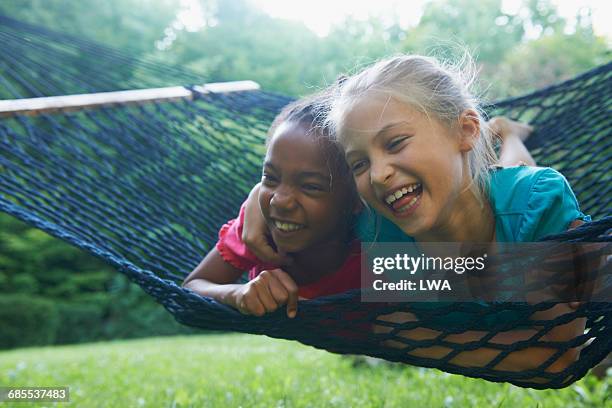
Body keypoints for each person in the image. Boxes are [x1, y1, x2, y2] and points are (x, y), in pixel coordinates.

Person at [241, 55, 591, 380]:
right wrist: (257, 199)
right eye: (358, 164)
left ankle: (508, 134)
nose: (378, 175)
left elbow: (558, 358)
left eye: (395, 143)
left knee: (516, 177)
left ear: (466, 130)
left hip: (516, 205)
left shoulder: (540, 205)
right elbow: (303, 174)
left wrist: (419, 340)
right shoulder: (376, 228)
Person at [182, 93, 361, 318]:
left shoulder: (379, 239)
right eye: (270, 178)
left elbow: (414, 302)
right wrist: (236, 294)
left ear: (357, 198)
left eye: (311, 186)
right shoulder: (260, 230)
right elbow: (192, 287)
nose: (280, 201)